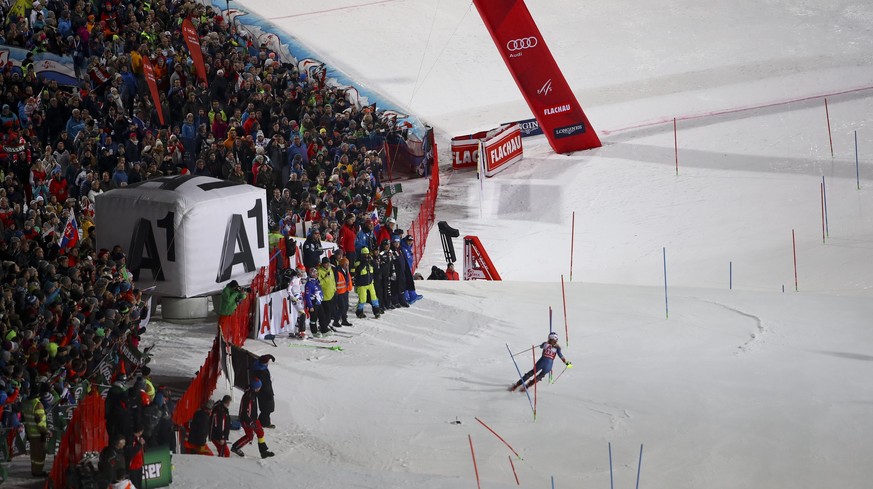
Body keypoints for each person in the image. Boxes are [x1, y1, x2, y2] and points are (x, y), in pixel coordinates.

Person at [231, 378, 275, 459]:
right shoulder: (249, 397)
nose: (260, 388)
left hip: (253, 419)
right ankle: (235, 447)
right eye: (259, 387)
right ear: (256, 388)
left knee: (260, 432)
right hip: (247, 421)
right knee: (249, 436)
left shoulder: (252, 392)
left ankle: (263, 452)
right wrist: (251, 423)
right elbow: (245, 412)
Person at [22, 384, 50, 476]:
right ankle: (38, 472)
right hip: (38, 434)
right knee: (39, 455)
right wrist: (46, 431)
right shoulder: (38, 404)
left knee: (34, 455)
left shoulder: (26, 403)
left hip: (30, 433)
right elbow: (40, 422)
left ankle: (34, 470)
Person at [352, 247, 381, 319]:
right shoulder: (357, 261)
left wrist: (372, 261)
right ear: (361, 254)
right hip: (361, 284)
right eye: (364, 254)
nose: (366, 256)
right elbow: (358, 270)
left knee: (374, 298)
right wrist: (364, 261)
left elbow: (376, 269)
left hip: (370, 283)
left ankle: (376, 311)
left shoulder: (370, 261)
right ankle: (359, 312)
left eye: (367, 254)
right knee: (363, 299)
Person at [303, 267, 330, 337]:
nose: (316, 274)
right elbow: (307, 296)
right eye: (315, 273)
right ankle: (314, 332)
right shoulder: (309, 284)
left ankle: (324, 330)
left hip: (319, 302)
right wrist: (310, 306)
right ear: (312, 274)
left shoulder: (316, 281)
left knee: (322, 317)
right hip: (313, 303)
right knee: (313, 318)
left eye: (316, 273)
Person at [253, 355, 276, 429]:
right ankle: (263, 423)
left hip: (267, 392)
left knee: (268, 409)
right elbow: (263, 384)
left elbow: (267, 356)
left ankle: (263, 422)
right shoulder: (260, 371)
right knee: (266, 409)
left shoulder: (261, 366)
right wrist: (268, 392)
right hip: (264, 394)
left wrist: (272, 358)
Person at [317, 257, 338, 330]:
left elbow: (332, 280)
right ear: (323, 264)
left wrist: (335, 289)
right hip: (324, 296)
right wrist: (326, 277)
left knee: (331, 312)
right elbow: (319, 283)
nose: (327, 265)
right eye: (326, 263)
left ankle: (327, 324)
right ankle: (323, 326)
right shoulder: (319, 271)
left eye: (328, 263)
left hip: (332, 294)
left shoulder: (330, 269)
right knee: (326, 313)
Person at [334, 257, 354, 326]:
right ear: (342, 264)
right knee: (341, 307)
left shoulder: (346, 271)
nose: (347, 266)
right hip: (339, 292)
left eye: (348, 264)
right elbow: (335, 282)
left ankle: (344, 320)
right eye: (346, 264)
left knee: (346, 306)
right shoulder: (337, 271)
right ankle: (336, 321)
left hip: (345, 291)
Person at [124, 425, 146, 489]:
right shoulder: (130, 439)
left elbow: (144, 449)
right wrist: (139, 444)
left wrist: (143, 444)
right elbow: (131, 453)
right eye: (141, 432)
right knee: (134, 485)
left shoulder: (138, 438)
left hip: (139, 465)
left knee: (139, 485)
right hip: (132, 467)